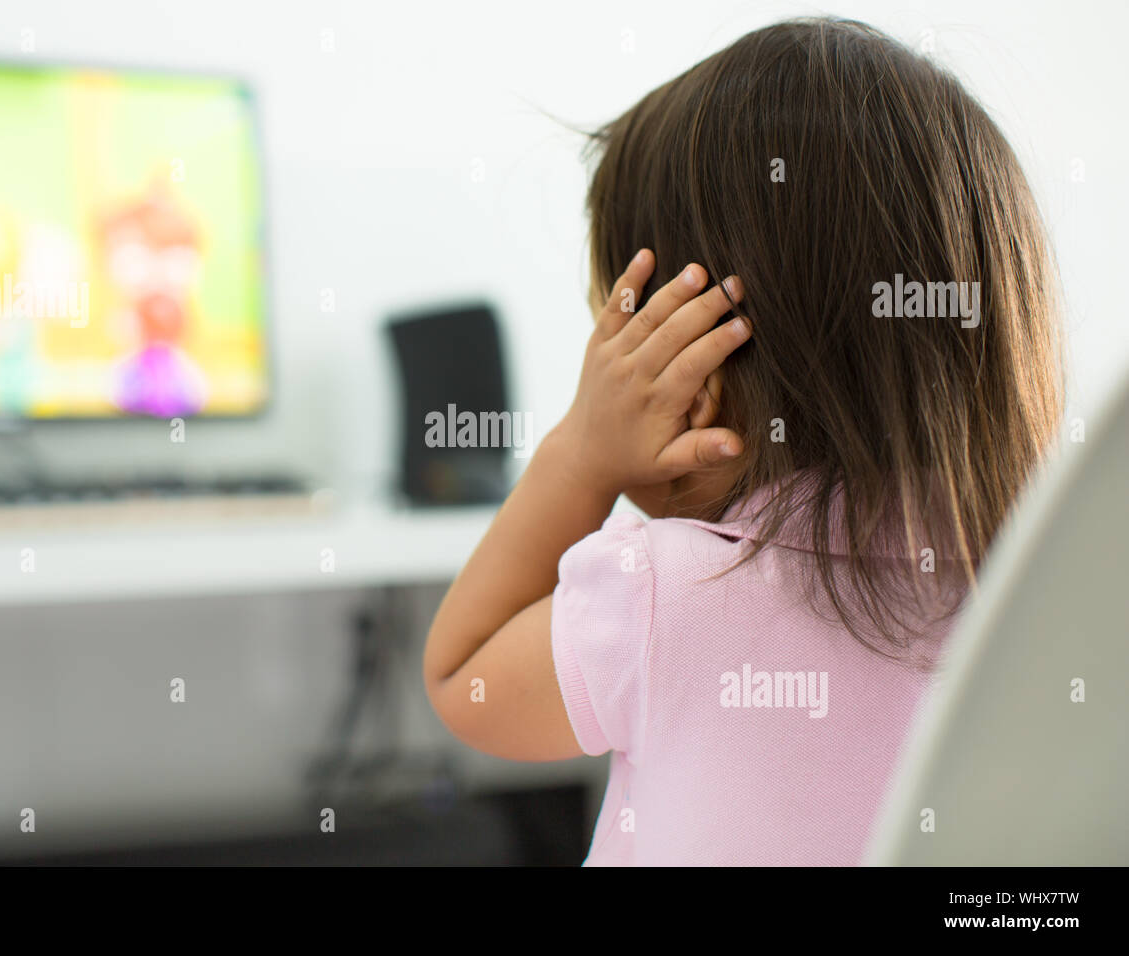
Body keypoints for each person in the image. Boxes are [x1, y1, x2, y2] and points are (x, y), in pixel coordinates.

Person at [422, 18, 1065, 865]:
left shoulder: (664, 598)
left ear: (702, 385)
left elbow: (461, 677)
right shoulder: (1037, 601)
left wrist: (583, 454)